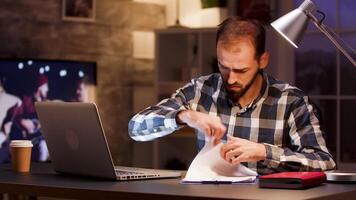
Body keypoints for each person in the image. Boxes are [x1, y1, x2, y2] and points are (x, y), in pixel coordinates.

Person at [128, 17, 336, 174]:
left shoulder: (292, 101)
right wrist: (183, 116)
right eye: (223, 67)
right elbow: (135, 129)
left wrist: (264, 152)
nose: (230, 79)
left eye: (241, 70)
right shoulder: (201, 89)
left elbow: (324, 162)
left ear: (262, 61)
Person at [1, 74, 50, 162]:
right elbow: (12, 115)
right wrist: (21, 121)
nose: (47, 89)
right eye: (46, 86)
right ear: (40, 87)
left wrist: (37, 125)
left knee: (43, 145)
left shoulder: (47, 104)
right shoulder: (26, 100)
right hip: (25, 140)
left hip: (40, 139)